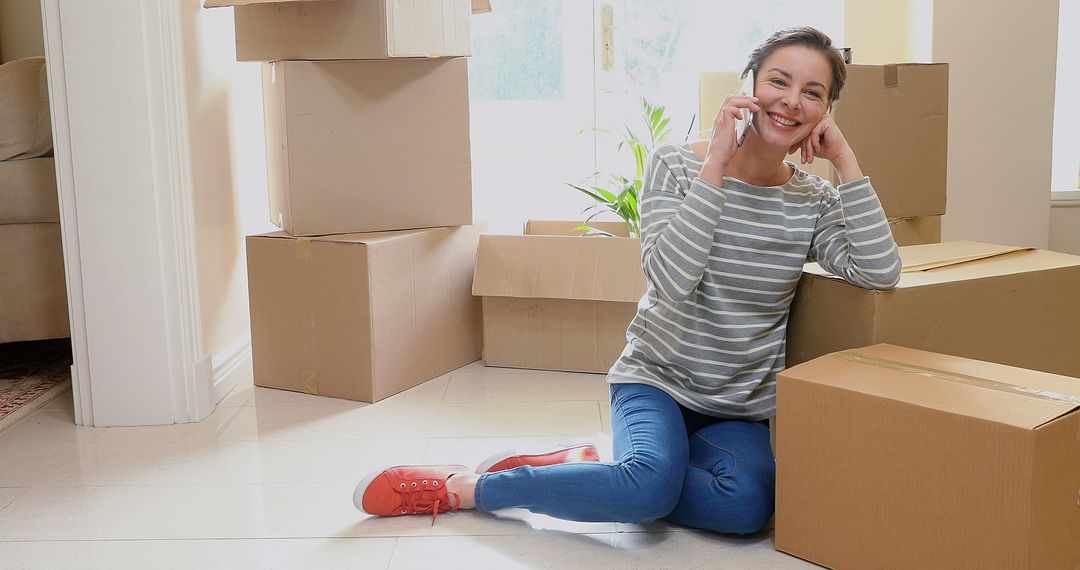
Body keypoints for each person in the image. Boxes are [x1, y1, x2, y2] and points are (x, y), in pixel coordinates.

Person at [352, 26, 901, 534]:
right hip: (655, 380)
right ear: (749, 87)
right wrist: (716, 162)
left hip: (737, 406)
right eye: (778, 81)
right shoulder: (678, 168)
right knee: (649, 489)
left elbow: (880, 270)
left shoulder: (813, 201)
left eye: (813, 92)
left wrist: (846, 161)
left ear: (826, 111)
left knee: (745, 506)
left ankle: (596, 470)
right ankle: (468, 488)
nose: (790, 101)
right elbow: (671, 281)